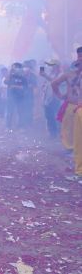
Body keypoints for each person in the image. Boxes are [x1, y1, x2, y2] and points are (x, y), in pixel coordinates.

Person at [52, 47, 82, 178]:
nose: (80, 58)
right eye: (79, 56)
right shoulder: (70, 73)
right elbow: (54, 83)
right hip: (72, 106)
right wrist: (60, 95)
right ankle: (71, 150)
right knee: (70, 131)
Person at [40, 59, 62, 139]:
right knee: (49, 116)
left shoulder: (61, 74)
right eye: (49, 65)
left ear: (56, 65)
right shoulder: (50, 73)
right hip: (48, 99)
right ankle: (52, 134)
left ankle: (59, 134)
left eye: (51, 65)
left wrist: (45, 76)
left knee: (57, 117)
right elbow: (46, 86)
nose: (49, 66)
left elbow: (56, 82)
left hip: (56, 98)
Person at [5, 63, 28, 129]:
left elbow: (25, 88)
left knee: (20, 112)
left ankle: (20, 126)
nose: (15, 69)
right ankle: (8, 126)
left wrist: (16, 86)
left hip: (20, 97)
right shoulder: (10, 76)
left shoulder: (23, 77)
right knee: (9, 112)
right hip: (10, 97)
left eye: (16, 68)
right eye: (13, 68)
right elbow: (5, 82)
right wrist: (10, 73)